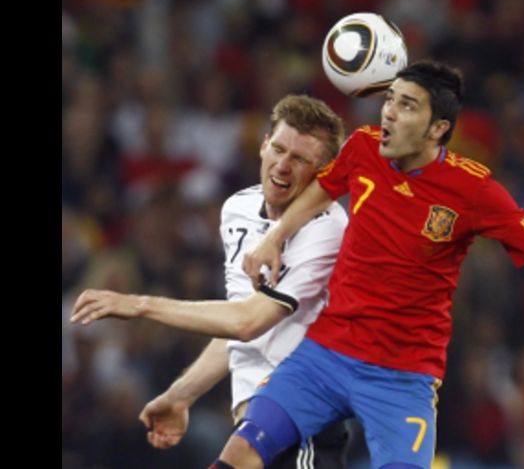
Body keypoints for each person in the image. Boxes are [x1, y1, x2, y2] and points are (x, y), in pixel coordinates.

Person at [219, 60, 524, 469]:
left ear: (438, 129)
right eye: (390, 99)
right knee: (240, 452)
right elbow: (323, 188)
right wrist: (275, 239)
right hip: (326, 354)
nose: (388, 112)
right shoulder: (363, 148)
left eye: (406, 105)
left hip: (401, 377)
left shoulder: (473, 191)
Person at [71, 95, 351, 468]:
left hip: (302, 428)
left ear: (324, 173)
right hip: (253, 432)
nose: (282, 166)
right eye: (279, 149)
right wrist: (182, 394)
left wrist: (139, 304)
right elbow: (236, 325)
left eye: (300, 159)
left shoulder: (328, 227)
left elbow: (249, 322)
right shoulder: (238, 210)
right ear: (264, 143)